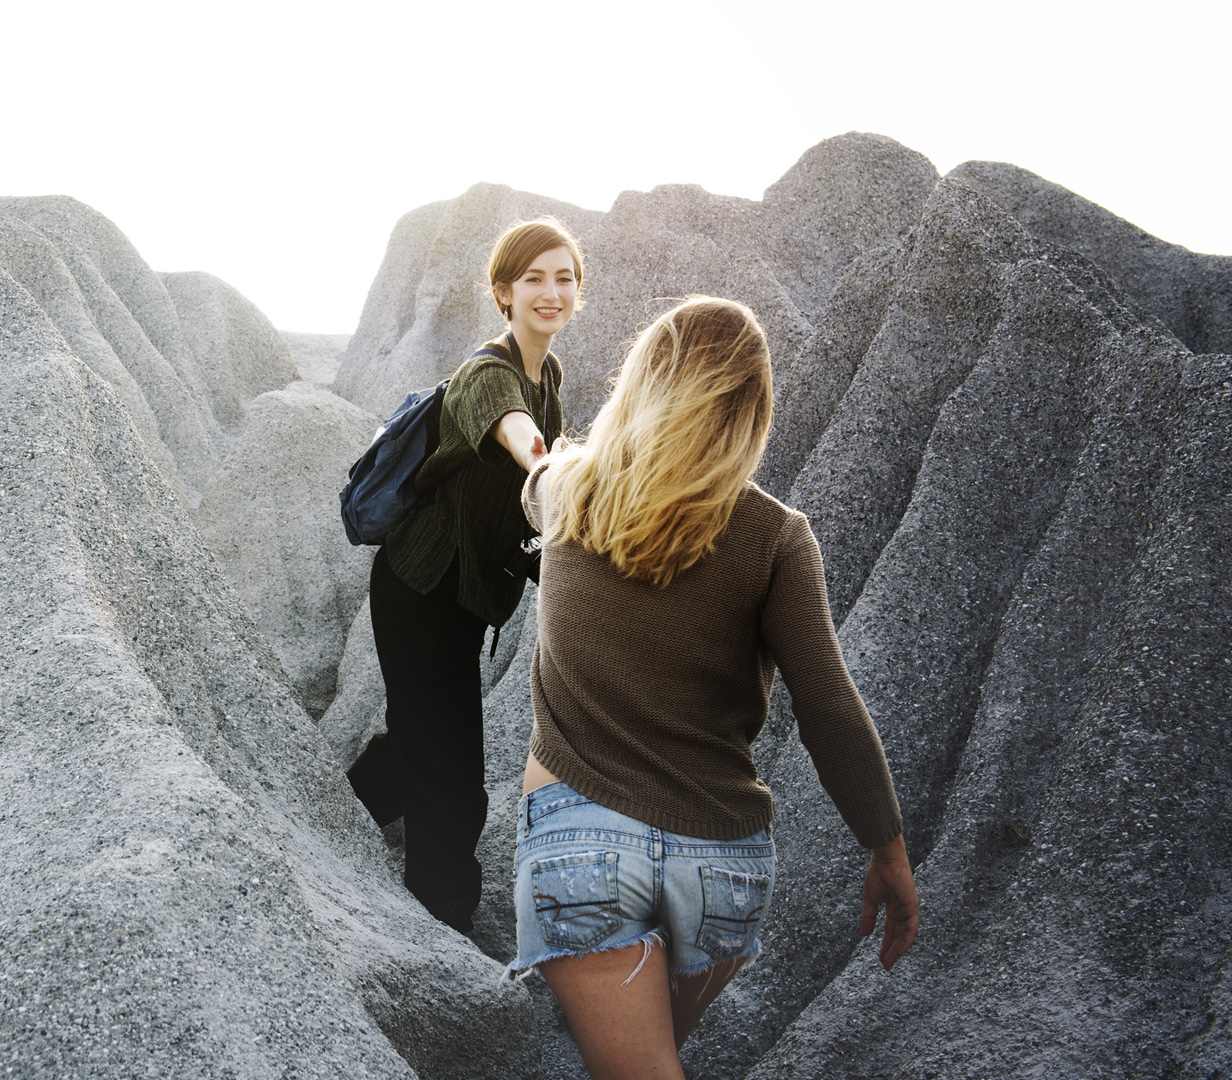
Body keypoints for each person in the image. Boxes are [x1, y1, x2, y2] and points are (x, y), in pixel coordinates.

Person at [509, 296, 919, 1077]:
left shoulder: (565, 491)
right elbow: (829, 709)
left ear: (639, 381)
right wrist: (889, 851)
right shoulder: (778, 539)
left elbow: (537, 477)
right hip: (722, 869)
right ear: (752, 410)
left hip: (581, 845)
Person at [347, 217, 581, 933]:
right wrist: (548, 468)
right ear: (503, 292)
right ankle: (441, 921)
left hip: (460, 603)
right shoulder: (491, 374)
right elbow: (517, 434)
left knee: (423, 736)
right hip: (421, 593)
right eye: (534, 278)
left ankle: (331, 815)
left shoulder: (550, 376)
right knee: (455, 781)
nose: (551, 291)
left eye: (564, 277)